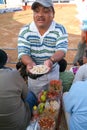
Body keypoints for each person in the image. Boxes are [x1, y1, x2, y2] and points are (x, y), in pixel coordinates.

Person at [17, 0, 68, 96]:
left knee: (53, 100)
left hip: (53, 73)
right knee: (36, 101)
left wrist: (51, 60)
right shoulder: (25, 30)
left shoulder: (60, 29)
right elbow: (23, 52)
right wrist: (30, 63)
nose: (40, 15)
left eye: (45, 11)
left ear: (53, 14)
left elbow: (61, 50)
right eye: (36, 11)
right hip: (34, 75)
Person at [0, 49, 38, 130]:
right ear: (4, 61)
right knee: (31, 95)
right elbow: (25, 96)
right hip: (18, 124)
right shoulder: (13, 74)